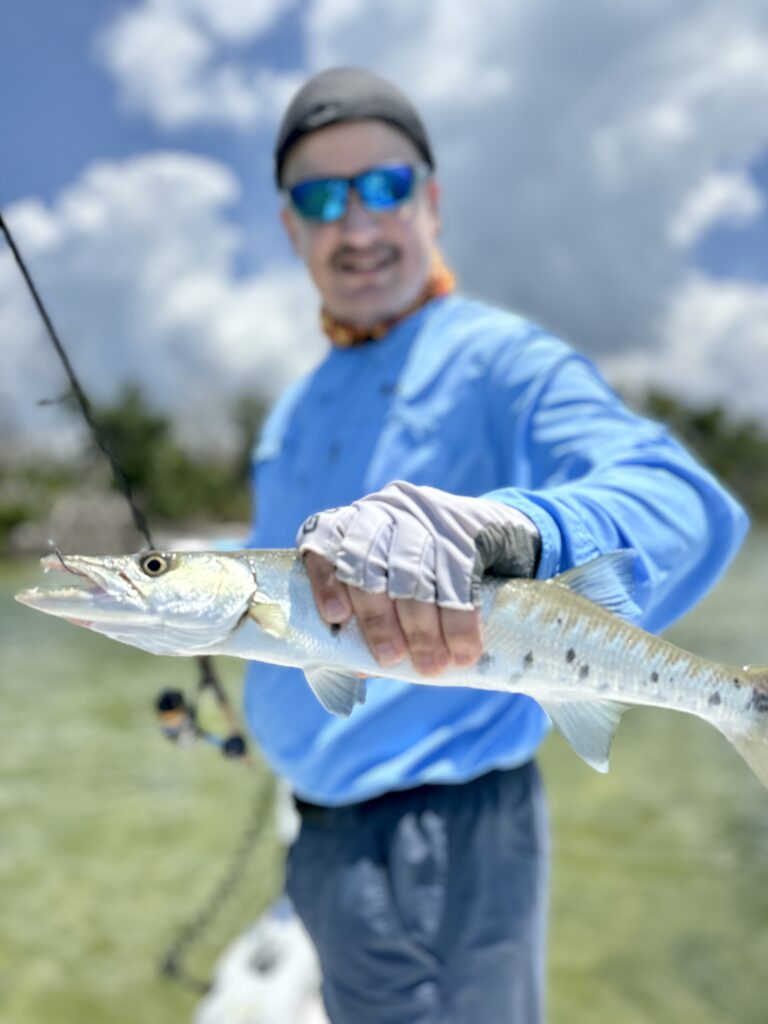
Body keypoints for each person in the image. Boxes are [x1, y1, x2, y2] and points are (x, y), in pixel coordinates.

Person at [242, 66, 748, 1023]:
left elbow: (687, 501)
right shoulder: (294, 407)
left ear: (431, 203)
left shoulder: (501, 357)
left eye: (385, 187)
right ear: (290, 228)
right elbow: (276, 569)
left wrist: (523, 529)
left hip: (448, 838)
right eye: (320, 198)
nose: (355, 226)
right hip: (317, 840)